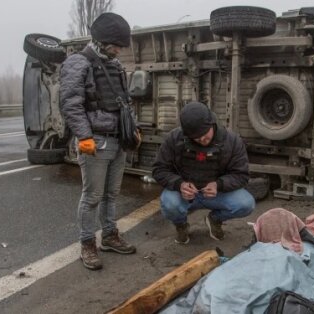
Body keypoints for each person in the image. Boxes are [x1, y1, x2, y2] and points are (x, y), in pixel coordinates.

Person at [60, 12, 137, 270]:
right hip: (96, 141)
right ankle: (86, 244)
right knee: (92, 196)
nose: (119, 50)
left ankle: (110, 236)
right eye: (116, 45)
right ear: (101, 40)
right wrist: (84, 136)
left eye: (120, 45)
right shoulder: (78, 63)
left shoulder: (115, 66)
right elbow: (71, 105)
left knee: (111, 194)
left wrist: (132, 129)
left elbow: (124, 102)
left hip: (118, 140)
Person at [152, 101, 255, 244]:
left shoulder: (232, 141)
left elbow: (242, 175)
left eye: (205, 134)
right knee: (169, 203)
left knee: (246, 203)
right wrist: (179, 184)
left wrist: (219, 185)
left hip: (216, 194)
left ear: (212, 123)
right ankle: (181, 225)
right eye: (196, 138)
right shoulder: (174, 138)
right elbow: (159, 170)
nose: (202, 140)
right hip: (185, 195)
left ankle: (215, 219)